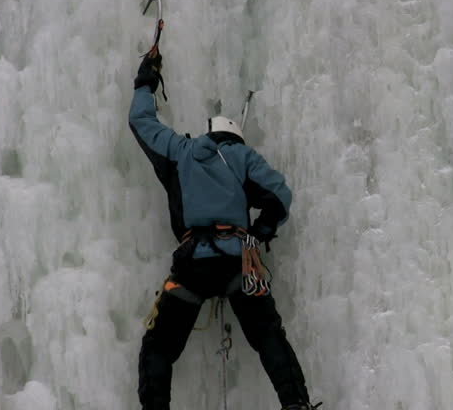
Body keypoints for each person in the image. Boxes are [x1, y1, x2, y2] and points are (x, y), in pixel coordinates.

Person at [130, 52, 315, 410]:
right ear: (235, 138)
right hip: (237, 264)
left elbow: (141, 120)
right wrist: (259, 233)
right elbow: (280, 196)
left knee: (159, 347)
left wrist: (145, 80)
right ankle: (295, 404)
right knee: (268, 334)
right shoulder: (241, 157)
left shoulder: (180, 151)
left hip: (192, 267)